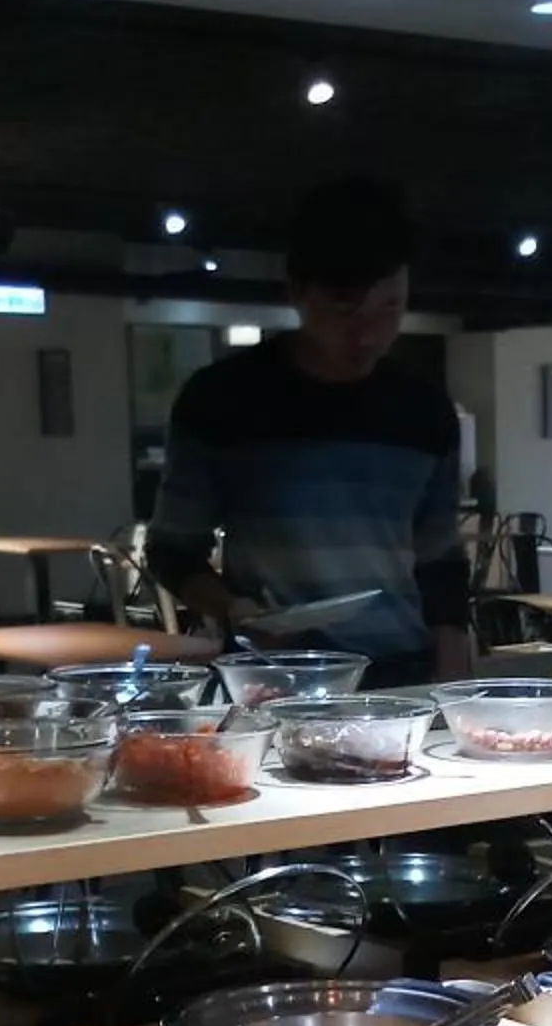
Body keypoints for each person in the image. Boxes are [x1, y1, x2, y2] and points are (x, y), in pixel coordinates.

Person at [150, 178, 473, 687]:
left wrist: (453, 661)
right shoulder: (222, 399)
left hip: (402, 669)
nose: (367, 334)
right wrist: (234, 608)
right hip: (274, 676)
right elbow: (171, 549)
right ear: (297, 291)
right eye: (345, 310)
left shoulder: (425, 409)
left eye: (390, 307)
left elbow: (440, 555)